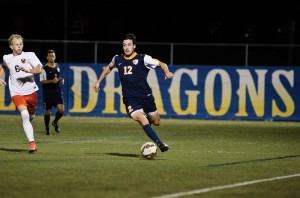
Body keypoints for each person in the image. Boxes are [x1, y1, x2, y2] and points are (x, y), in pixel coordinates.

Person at [93, 33, 173, 152]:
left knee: (156, 122)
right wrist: (98, 81)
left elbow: (161, 64)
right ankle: (160, 144)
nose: (127, 47)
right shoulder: (117, 59)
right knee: (141, 119)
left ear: (134, 46)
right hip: (130, 99)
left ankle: (148, 121)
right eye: (124, 45)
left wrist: (167, 72)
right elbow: (108, 68)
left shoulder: (143, 58)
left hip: (146, 97)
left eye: (129, 44)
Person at [0, 34, 42, 153]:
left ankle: (31, 115)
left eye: (21, 44)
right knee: (24, 114)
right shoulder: (7, 58)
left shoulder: (30, 55)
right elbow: (4, 66)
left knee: (31, 113)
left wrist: (29, 70)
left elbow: (39, 70)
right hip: (16, 92)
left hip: (31, 91)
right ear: (11, 46)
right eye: (16, 44)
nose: (19, 46)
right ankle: (32, 144)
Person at [40, 49, 64, 135]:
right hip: (48, 93)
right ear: (47, 57)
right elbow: (42, 81)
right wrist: (51, 81)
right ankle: (47, 129)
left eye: (53, 56)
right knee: (48, 111)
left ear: (55, 57)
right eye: (50, 56)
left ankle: (55, 122)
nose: (51, 57)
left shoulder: (57, 66)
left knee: (61, 110)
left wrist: (60, 79)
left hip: (57, 91)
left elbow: (57, 77)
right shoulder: (43, 68)